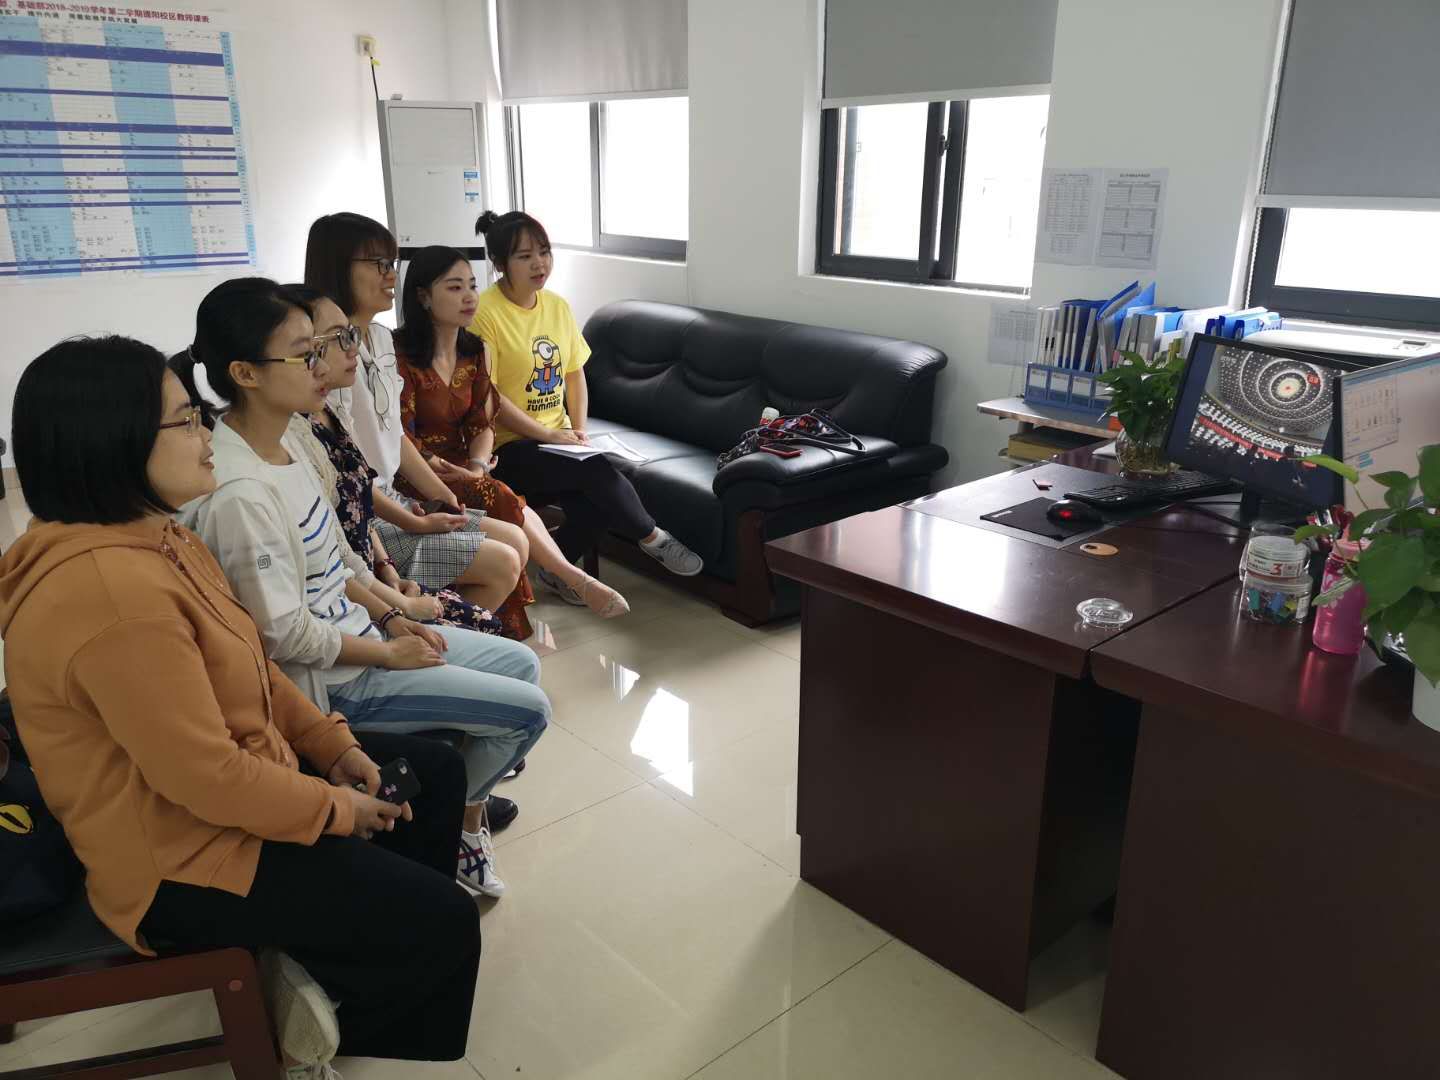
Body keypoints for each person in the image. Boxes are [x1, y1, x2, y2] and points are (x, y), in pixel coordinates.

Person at [0, 335, 480, 1077]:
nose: (206, 433)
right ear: (112, 444)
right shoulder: (111, 596)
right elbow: (207, 780)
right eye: (185, 419)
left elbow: (254, 666)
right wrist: (332, 810)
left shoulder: (160, 538)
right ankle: (320, 1030)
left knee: (434, 774)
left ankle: (334, 959)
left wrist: (334, 746)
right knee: (443, 922)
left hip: (227, 794)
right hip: (179, 861)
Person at [172, 277, 550, 898]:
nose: (323, 365)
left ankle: (457, 808)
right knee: (530, 713)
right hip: (337, 680)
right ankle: (458, 821)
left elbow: (339, 557)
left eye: (323, 347)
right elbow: (283, 635)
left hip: (365, 635)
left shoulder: (288, 442)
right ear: (245, 373)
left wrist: (394, 614)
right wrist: (388, 652)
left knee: (522, 664)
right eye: (305, 354)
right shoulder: (242, 494)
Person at [303, 212, 535, 639]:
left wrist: (441, 495)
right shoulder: (327, 360)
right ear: (338, 267)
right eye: (377, 264)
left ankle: (445, 637)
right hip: (370, 517)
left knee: (516, 540)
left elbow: (395, 437)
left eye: (391, 263)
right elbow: (347, 477)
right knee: (503, 560)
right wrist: (414, 521)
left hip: (394, 499)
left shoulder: (379, 338)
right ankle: (439, 643)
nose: (390, 274)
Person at [470, 209, 705, 600]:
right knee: (596, 472)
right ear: (499, 263)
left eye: (544, 252)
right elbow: (489, 395)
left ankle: (558, 571)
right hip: (507, 446)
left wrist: (578, 430)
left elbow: (575, 373)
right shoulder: (484, 314)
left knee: (601, 492)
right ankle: (652, 537)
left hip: (557, 441)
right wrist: (549, 435)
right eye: (525, 256)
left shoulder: (556, 306)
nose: (539, 263)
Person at [394, 245, 629, 619]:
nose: (469, 296)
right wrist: (447, 468)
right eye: (454, 287)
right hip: (416, 473)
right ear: (423, 297)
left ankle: (566, 581)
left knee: (499, 492)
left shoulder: (475, 351)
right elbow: (398, 434)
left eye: (472, 285)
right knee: (502, 496)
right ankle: (572, 577)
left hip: (468, 468)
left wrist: (476, 464)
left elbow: (483, 422)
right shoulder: (398, 355)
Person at [283, 284, 506, 638]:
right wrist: (395, 611)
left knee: (503, 535)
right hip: (357, 604)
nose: (351, 348)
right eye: (336, 339)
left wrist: (388, 571)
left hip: (376, 565)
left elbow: (357, 509)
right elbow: (335, 567)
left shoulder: (329, 413)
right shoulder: (292, 442)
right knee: (498, 578)